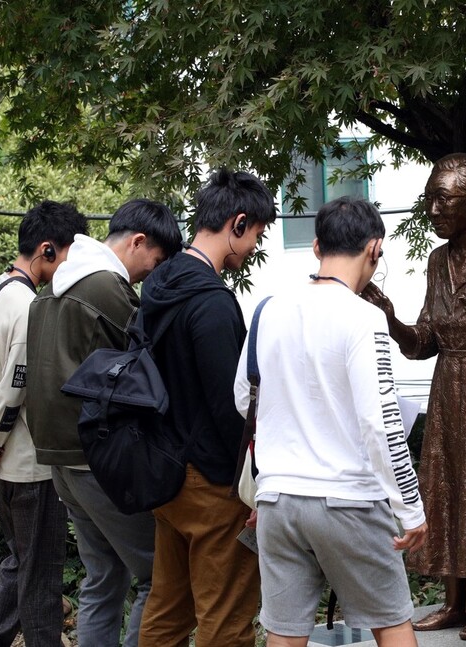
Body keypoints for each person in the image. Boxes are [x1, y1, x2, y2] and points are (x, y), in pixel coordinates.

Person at [234, 196, 428, 647]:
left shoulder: (268, 310)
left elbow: (244, 399)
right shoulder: (364, 318)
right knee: (392, 623)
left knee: (284, 631)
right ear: (375, 249)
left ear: (317, 246)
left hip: (278, 502)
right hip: (349, 501)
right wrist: (411, 510)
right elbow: (380, 424)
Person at [361, 153, 466, 639]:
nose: (433, 209)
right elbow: (424, 342)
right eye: (429, 199)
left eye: (444, 199)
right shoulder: (438, 262)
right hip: (448, 385)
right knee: (444, 490)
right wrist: (391, 319)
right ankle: (455, 600)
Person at [25, 199, 182, 647]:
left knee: (103, 576)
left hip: (58, 457)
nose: (149, 275)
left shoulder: (52, 288)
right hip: (97, 457)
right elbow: (150, 363)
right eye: (154, 263)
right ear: (138, 242)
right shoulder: (105, 287)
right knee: (161, 575)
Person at [136, 169, 276, 647]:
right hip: (213, 483)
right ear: (237, 223)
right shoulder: (213, 302)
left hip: (165, 473)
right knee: (226, 618)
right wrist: (255, 483)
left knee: (168, 610)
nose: (254, 246)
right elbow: (230, 407)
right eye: (256, 234)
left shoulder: (156, 288)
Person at [0, 200, 88, 647]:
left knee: (20, 563)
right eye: (67, 255)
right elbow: (15, 389)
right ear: (47, 250)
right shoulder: (30, 306)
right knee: (41, 581)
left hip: (2, 469)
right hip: (30, 467)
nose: (67, 267)